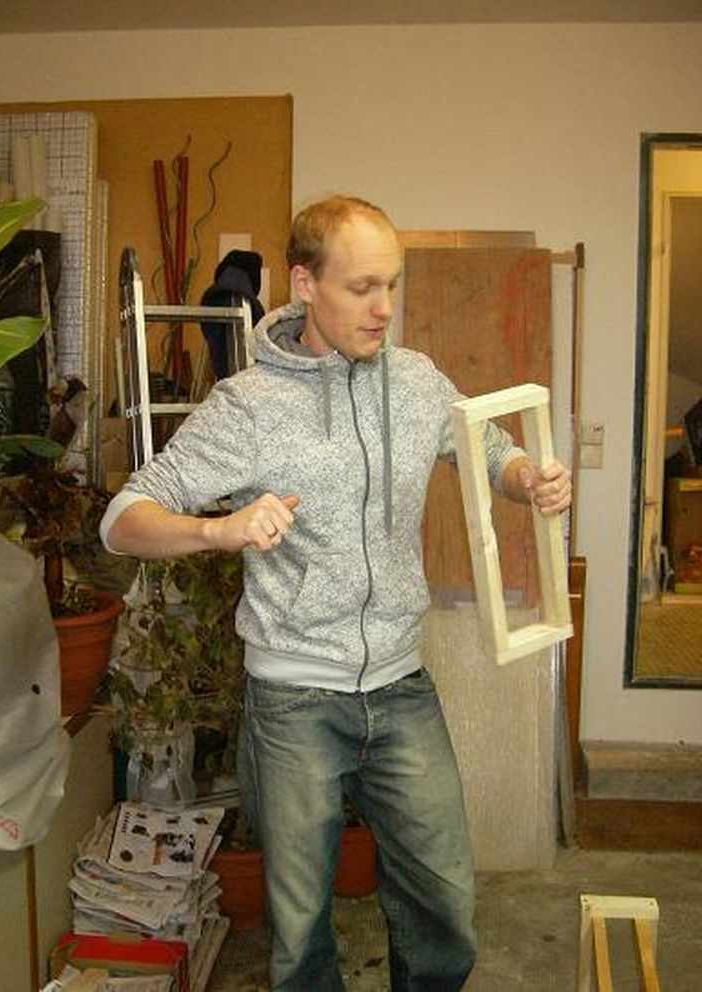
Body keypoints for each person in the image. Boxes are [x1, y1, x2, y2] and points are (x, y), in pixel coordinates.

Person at [101, 195, 572, 991]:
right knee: (299, 933)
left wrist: (529, 478)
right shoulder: (248, 407)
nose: (383, 307)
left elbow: (488, 446)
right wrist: (221, 529)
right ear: (304, 284)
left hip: (400, 685)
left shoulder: (416, 382)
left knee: (446, 907)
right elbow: (122, 519)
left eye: (391, 285)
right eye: (361, 287)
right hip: (293, 703)